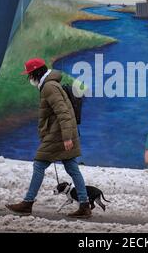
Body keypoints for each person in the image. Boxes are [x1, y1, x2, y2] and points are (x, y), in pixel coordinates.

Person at [6, 58, 91, 218]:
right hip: (60, 133)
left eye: (30, 75)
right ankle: (85, 205)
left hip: (58, 135)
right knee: (72, 168)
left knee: (39, 165)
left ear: (35, 74)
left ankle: (27, 203)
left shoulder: (49, 87)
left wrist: (66, 137)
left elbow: (63, 112)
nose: (29, 78)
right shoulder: (50, 85)